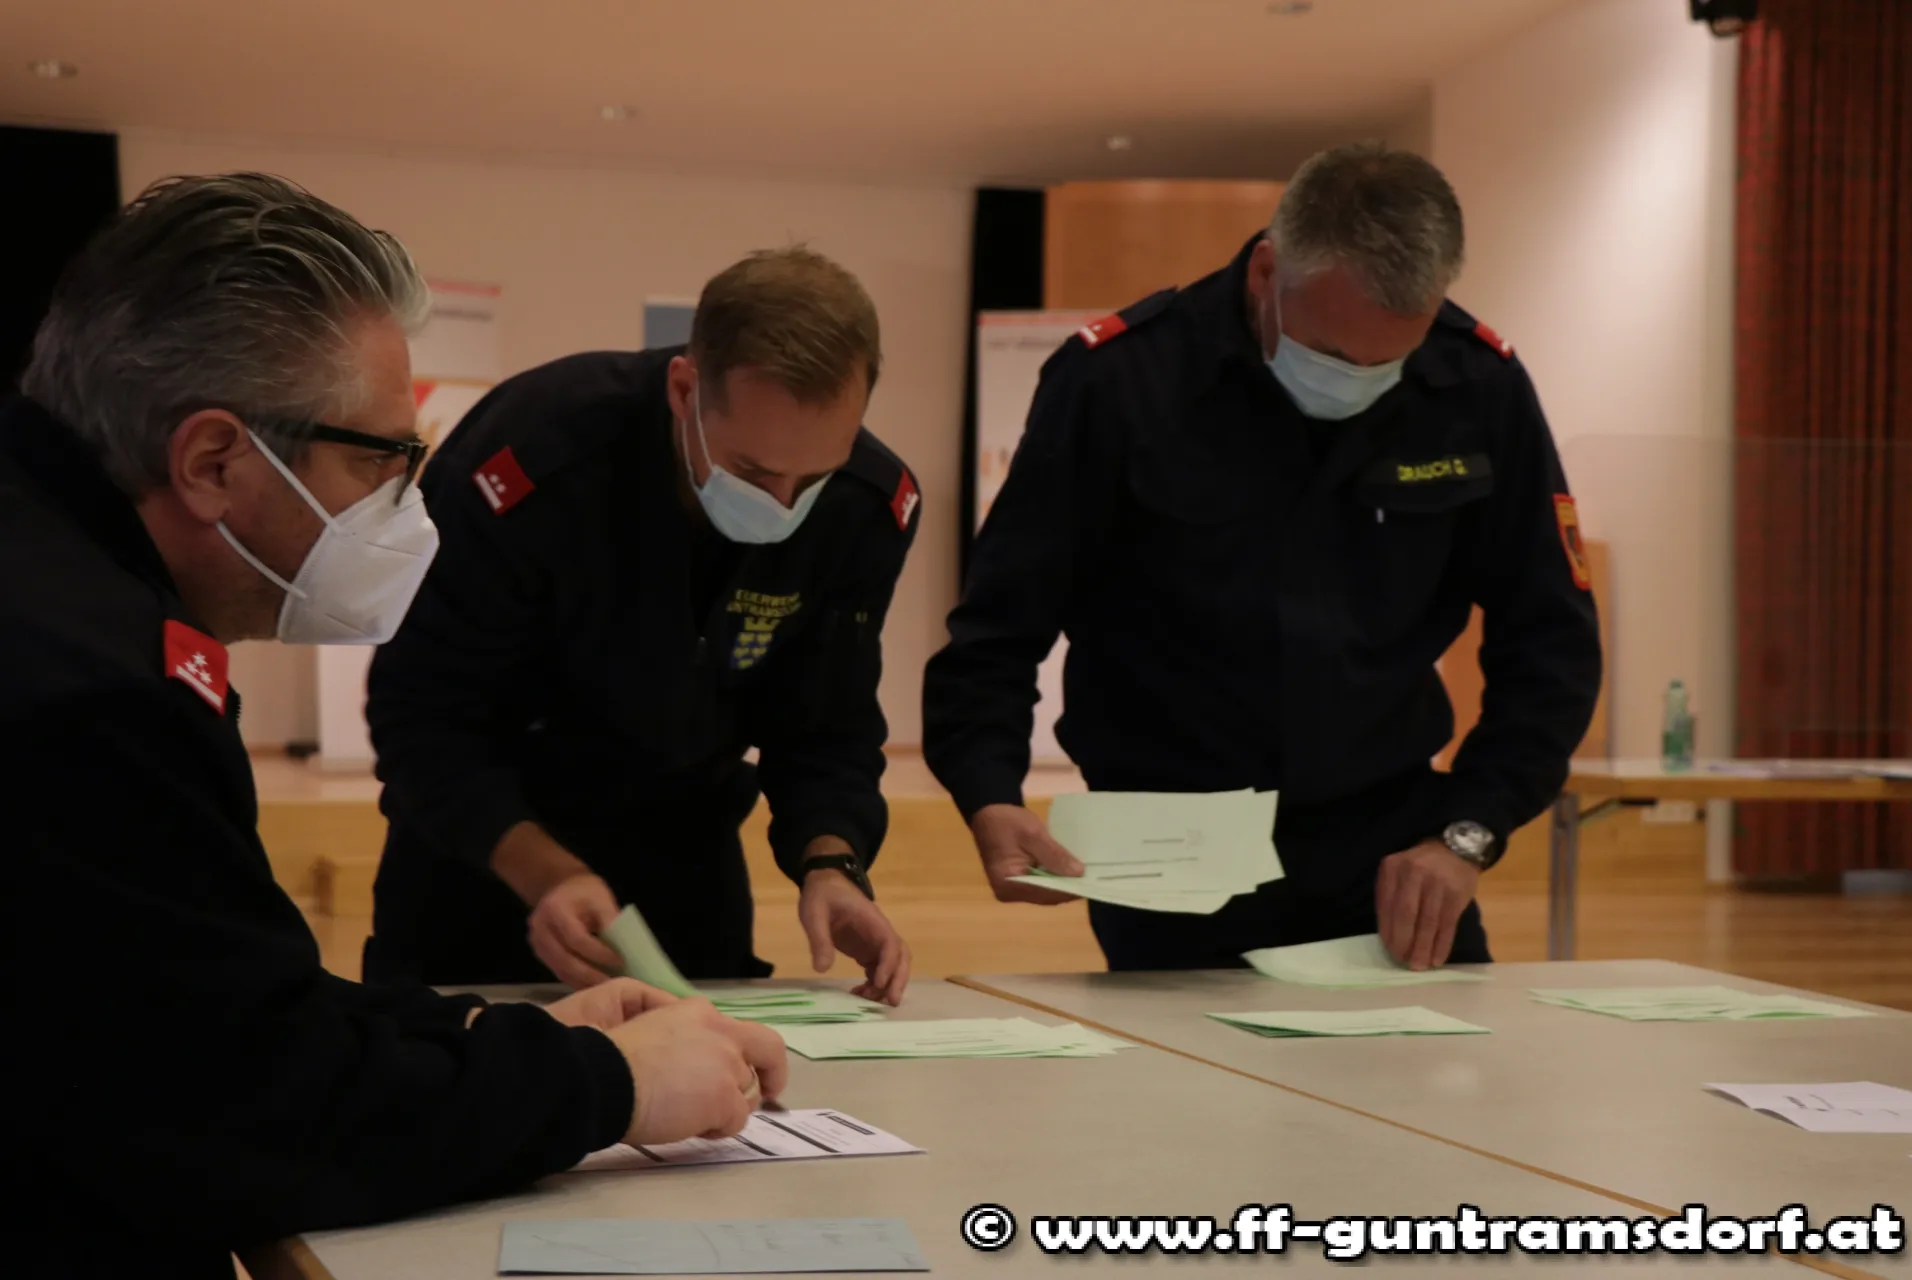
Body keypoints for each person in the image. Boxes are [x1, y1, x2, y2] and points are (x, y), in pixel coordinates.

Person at [0, 173, 787, 1280]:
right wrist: (614, 1087)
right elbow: (252, 1108)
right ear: (215, 461)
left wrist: (500, 1038)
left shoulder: (54, 575)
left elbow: (207, 993)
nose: (405, 503)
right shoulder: (94, 688)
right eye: (379, 459)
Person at [923, 143, 1602, 973]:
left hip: (1392, 850)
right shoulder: (1121, 383)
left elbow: (1552, 644)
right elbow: (998, 629)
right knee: (1180, 1063)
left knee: (1448, 1054)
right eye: (1335, 354)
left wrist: (1470, 832)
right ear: (1265, 271)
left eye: (1390, 362)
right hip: (1172, 857)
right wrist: (988, 792)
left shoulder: (1476, 386)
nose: (1361, 379)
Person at [361, 246, 918, 1003]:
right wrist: (548, 875)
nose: (786, 503)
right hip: (484, 861)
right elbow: (421, 714)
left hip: (686, 869)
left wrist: (833, 864)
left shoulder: (864, 504)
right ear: (685, 389)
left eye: (814, 476)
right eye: (754, 472)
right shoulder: (535, 457)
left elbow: (827, 724)